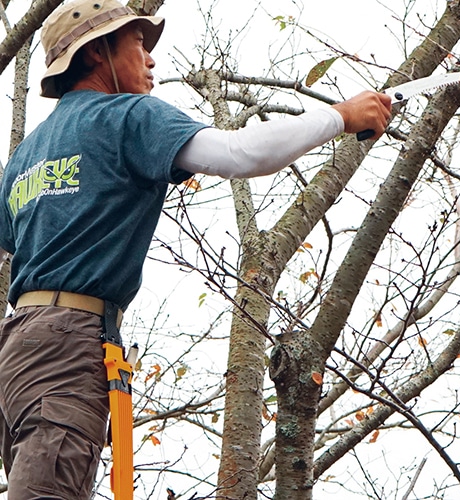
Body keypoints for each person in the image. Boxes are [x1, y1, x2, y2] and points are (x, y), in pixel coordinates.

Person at [0, 0, 392, 498]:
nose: (151, 59)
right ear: (97, 52)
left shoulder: (26, 154)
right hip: (70, 342)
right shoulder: (128, 116)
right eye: (138, 43)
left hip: (16, 349)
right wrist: (339, 115)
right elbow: (240, 153)